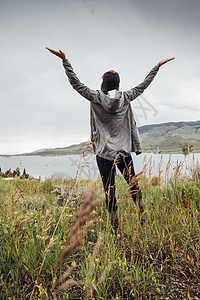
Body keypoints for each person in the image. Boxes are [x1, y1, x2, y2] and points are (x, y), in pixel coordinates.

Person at [46, 47, 174, 226]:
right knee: (133, 185)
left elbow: (76, 84)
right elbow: (144, 85)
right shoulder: (126, 97)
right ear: (118, 84)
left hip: (104, 154)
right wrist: (156, 67)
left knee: (109, 191)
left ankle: (115, 226)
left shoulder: (95, 97)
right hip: (123, 152)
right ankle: (143, 215)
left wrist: (65, 61)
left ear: (103, 84)